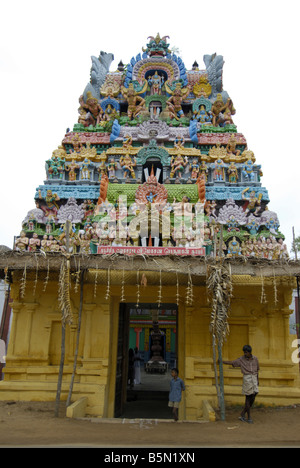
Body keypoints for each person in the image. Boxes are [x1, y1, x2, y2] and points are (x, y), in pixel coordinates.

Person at [222, 345, 259, 423]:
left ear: (250, 352)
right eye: (244, 352)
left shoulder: (255, 359)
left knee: (254, 396)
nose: (245, 354)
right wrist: (222, 361)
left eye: (246, 352)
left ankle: (243, 413)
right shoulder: (241, 359)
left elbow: (257, 370)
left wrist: (257, 380)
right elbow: (232, 362)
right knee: (248, 398)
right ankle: (249, 417)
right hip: (247, 379)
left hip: (254, 378)